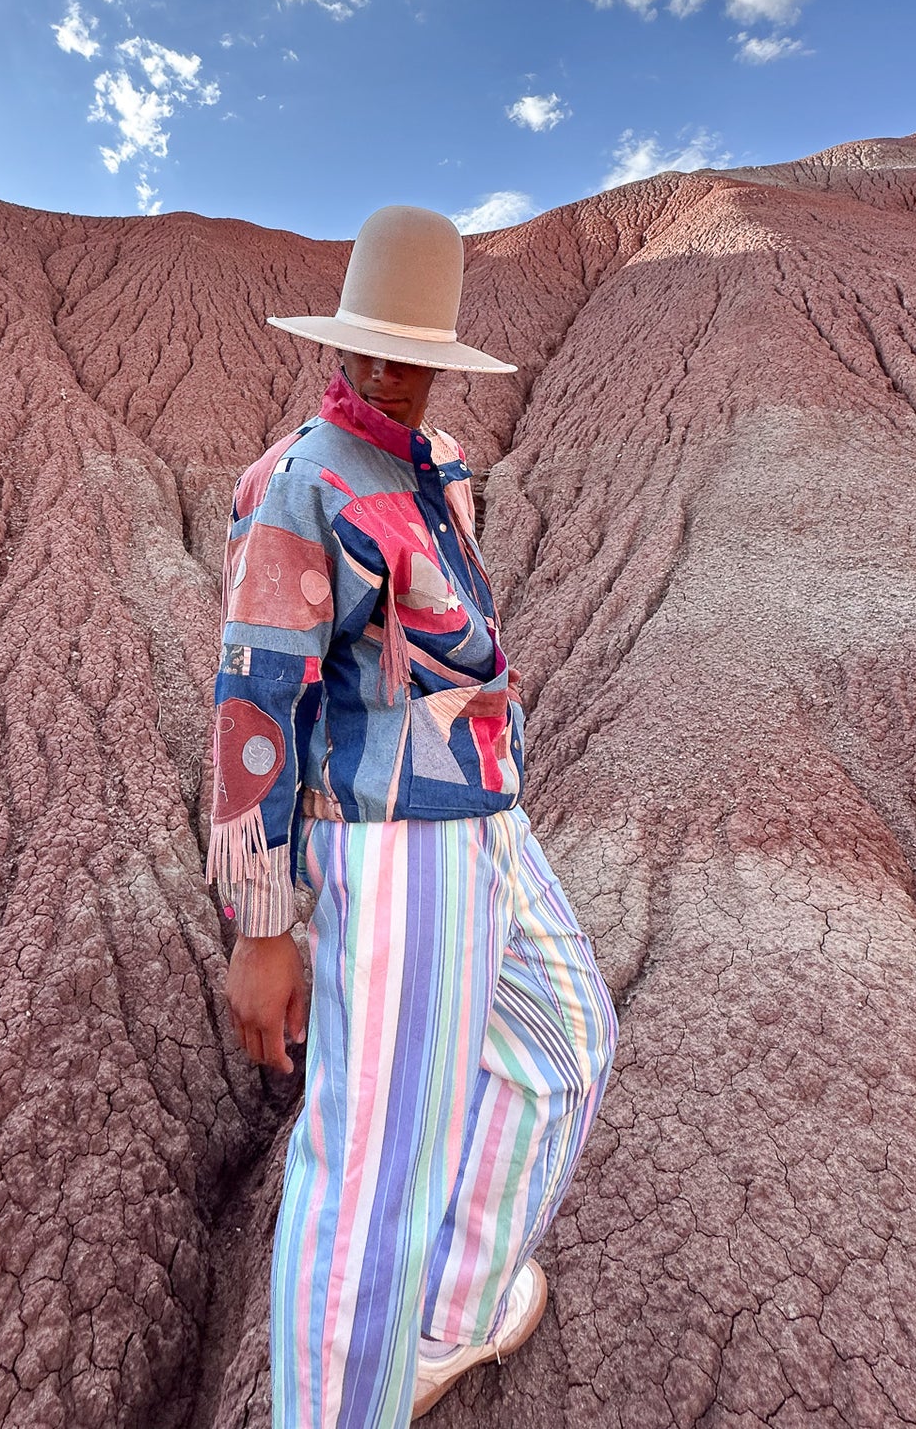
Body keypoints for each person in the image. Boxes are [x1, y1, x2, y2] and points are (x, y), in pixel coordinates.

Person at [208, 204, 618, 1427]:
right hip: (387, 850)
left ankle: (448, 1314)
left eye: (409, 349)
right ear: (337, 347)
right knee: (370, 1177)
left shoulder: (428, 471)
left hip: (486, 819)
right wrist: (263, 923)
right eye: (368, 346)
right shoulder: (304, 484)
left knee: (562, 1047)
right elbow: (252, 703)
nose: (388, 368)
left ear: (438, 356)